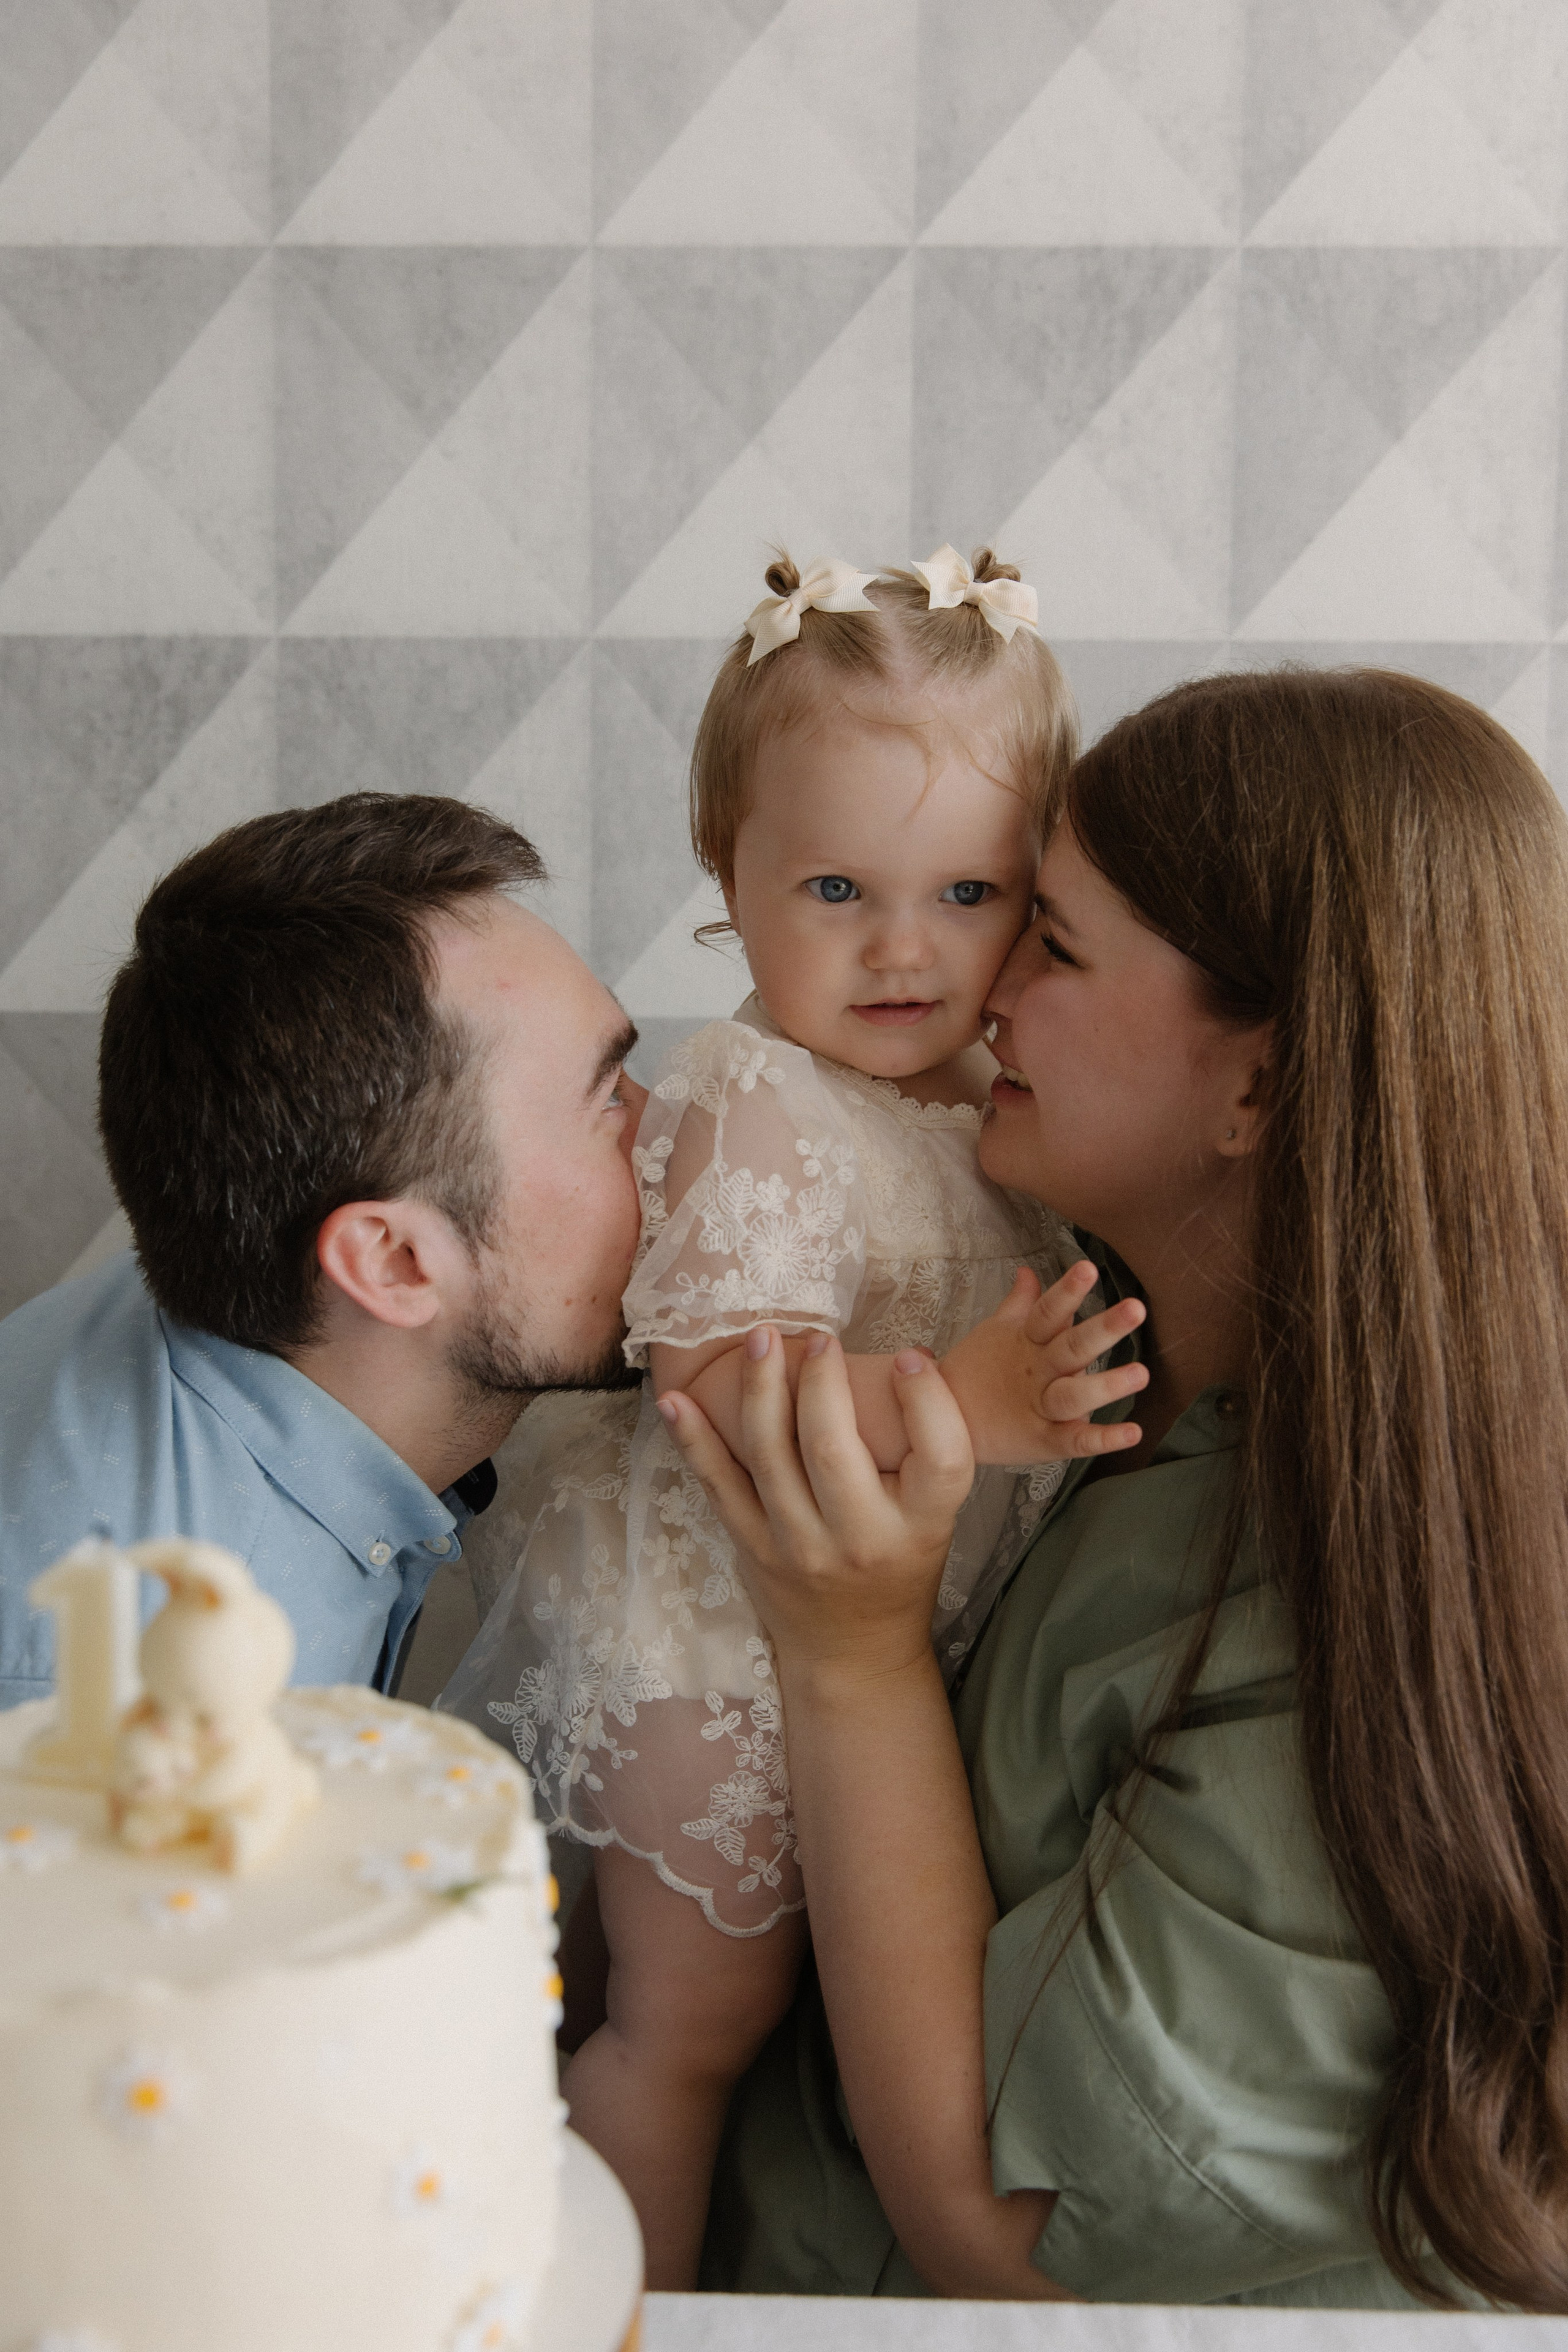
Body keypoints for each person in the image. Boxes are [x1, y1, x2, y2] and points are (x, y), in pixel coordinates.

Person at [658, 668, 1568, 2311]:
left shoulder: (1362, 1618)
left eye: (1050, 941)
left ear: (1261, 1088)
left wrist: (847, 1643)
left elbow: (1010, 2233)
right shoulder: (1063, 1303)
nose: (977, 982)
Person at [441, 547, 1146, 2286]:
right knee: (685, 2034)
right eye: (836, 887)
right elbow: (719, 1391)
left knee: (638, 2006)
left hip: (843, 1636)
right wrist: (960, 1406)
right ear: (730, 881)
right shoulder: (757, 1096)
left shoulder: (992, 1084)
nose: (905, 950)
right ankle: (622, 2312)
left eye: (970, 896)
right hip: (720, 1647)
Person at [0, 793, 646, 1709]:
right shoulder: (174, 1716)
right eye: (610, 1099)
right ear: (393, 1264)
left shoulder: (254, 1296)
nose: (685, 1137)